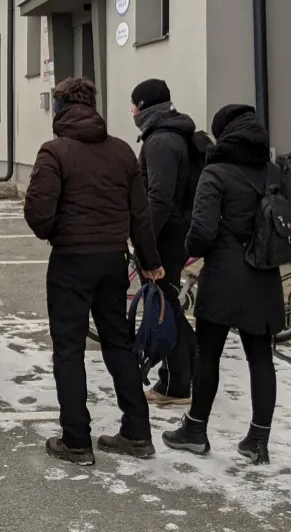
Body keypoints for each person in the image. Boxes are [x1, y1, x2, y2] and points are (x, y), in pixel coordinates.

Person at [23, 77, 164, 466]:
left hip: (71, 260)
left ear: (61, 108)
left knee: (69, 349)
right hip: (112, 260)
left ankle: (76, 440)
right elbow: (141, 214)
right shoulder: (120, 152)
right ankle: (137, 431)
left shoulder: (54, 152)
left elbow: (39, 214)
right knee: (118, 342)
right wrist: (151, 262)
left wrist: (56, 232)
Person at [162, 104, 282, 465]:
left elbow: (201, 231)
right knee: (260, 358)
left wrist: (189, 252)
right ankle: (258, 440)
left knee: (208, 353)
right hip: (263, 275)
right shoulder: (272, 172)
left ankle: (195, 430)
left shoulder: (215, 174)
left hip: (224, 277)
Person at [131, 78, 199, 406]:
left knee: (164, 310)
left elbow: (159, 198)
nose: (130, 110)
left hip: (165, 237)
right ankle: (192, 371)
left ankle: (175, 385)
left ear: (145, 107)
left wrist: (145, 241)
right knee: (169, 304)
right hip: (178, 232)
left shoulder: (160, 142)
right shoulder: (177, 134)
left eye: (134, 103)